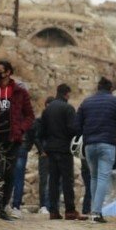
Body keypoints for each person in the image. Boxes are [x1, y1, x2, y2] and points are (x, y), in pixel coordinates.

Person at [0, 60, 35, 221]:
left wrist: (21, 129)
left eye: (0, 70)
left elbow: (30, 115)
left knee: (10, 174)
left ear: (8, 72)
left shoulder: (20, 92)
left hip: (14, 139)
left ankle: (3, 206)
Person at [76, 76, 116, 223]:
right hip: (107, 144)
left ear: (97, 88)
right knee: (103, 177)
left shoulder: (86, 102)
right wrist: (111, 125)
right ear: (110, 89)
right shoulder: (115, 101)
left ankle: (93, 210)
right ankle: (97, 213)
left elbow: (77, 125)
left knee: (93, 177)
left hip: (89, 145)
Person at [38, 84, 86, 220]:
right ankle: (70, 211)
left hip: (51, 150)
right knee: (67, 180)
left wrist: (44, 148)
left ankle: (53, 211)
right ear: (66, 94)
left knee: (53, 180)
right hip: (64, 149)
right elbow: (73, 129)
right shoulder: (68, 108)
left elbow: (41, 132)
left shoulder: (47, 110)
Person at [35, 96, 54, 214]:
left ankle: (51, 204)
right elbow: (37, 137)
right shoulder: (40, 121)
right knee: (44, 180)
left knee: (54, 179)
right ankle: (43, 205)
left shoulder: (55, 120)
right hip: (44, 154)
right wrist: (42, 151)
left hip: (53, 153)